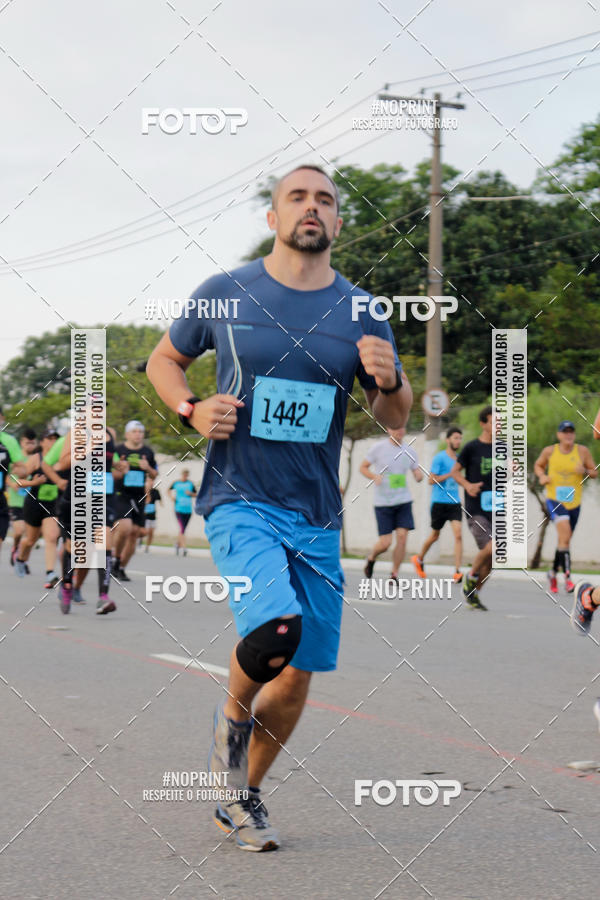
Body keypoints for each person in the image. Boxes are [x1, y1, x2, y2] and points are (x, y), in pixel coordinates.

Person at [146, 164, 413, 851]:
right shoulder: (226, 291)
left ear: (339, 222)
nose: (312, 208)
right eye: (298, 197)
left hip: (317, 512)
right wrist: (190, 407)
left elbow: (395, 417)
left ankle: (242, 795)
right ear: (274, 217)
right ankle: (232, 716)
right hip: (240, 498)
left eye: (325, 199)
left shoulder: (361, 310)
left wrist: (388, 381)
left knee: (298, 677)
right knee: (277, 627)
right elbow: (164, 360)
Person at [534, 421, 597, 594]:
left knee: (565, 540)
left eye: (571, 432)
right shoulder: (550, 451)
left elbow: (594, 472)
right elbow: (538, 465)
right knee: (565, 536)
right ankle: (568, 578)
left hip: (574, 502)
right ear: (559, 434)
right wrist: (541, 476)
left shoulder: (582, 451)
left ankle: (552, 573)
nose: (568, 435)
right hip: (555, 500)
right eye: (565, 432)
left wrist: (584, 470)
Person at [361, 426, 422, 582]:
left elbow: (416, 470)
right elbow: (363, 467)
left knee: (402, 537)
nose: (399, 431)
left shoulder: (410, 450)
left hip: (403, 501)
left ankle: (394, 574)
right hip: (383, 503)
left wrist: (418, 475)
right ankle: (371, 558)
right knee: (385, 543)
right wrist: (374, 476)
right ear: (388, 429)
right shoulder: (378, 448)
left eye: (401, 427)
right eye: (395, 428)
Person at [450, 406, 495, 611]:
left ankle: (473, 592)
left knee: (493, 560)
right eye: (494, 422)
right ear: (483, 424)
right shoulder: (471, 448)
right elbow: (455, 472)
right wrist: (467, 485)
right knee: (491, 547)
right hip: (475, 508)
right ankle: (471, 576)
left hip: (497, 507)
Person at [412, 426, 463, 583]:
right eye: (455, 438)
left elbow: (461, 478)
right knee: (435, 535)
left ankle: (457, 571)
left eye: (460, 438)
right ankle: (419, 559)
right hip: (439, 502)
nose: (458, 441)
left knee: (458, 535)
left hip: (455, 502)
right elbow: (430, 480)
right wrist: (450, 474)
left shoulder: (460, 459)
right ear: (448, 440)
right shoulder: (440, 458)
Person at [14, 429, 62, 587]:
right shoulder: (36, 458)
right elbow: (17, 481)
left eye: (55, 439)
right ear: (42, 442)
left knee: (52, 536)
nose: (53, 442)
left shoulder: (62, 459)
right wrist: (33, 483)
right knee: (30, 540)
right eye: (49, 439)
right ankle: (20, 558)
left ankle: (50, 573)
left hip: (53, 504)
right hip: (34, 503)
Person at [112, 421, 157, 581]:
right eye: (134, 431)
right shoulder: (118, 450)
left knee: (135, 533)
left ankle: (121, 567)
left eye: (140, 431)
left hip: (139, 497)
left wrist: (148, 468)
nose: (138, 434)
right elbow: (109, 470)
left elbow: (154, 475)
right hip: (120, 493)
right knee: (124, 527)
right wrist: (119, 468)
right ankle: (115, 559)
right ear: (127, 434)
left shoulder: (148, 452)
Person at [7, 429, 38, 567]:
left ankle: (22, 557)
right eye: (27, 443)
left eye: (33, 443)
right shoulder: (16, 458)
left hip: (31, 502)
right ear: (22, 443)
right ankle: (15, 547)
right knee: (19, 531)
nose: (30, 446)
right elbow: (6, 475)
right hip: (16, 501)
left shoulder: (38, 458)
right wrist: (12, 484)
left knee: (30, 535)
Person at [169, 469, 195, 555]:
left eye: (186, 475)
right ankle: (184, 548)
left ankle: (177, 544)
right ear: (181, 475)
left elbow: (196, 494)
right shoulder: (176, 483)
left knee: (183, 530)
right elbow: (168, 490)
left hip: (188, 510)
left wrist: (191, 494)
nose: (185, 476)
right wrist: (171, 497)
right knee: (182, 528)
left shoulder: (190, 484)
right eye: (184, 475)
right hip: (178, 509)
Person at [140, 480, 162, 552]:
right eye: (150, 482)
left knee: (151, 532)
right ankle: (139, 539)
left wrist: (162, 504)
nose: (151, 483)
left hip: (153, 514)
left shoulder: (156, 491)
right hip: (145, 515)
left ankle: (147, 546)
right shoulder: (143, 491)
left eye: (153, 482)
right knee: (145, 531)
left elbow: (160, 499)